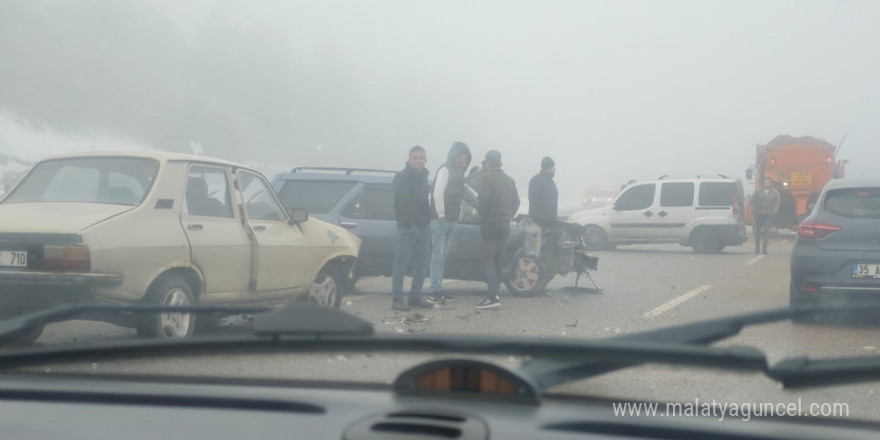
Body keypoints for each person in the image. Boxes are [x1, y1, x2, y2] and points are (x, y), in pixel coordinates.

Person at [391, 146, 434, 311]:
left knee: (423, 263)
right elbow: (399, 204)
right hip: (407, 227)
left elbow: (424, 201)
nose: (418, 161)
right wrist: (409, 224)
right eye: (415, 158)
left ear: (425, 160)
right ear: (409, 159)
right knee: (400, 263)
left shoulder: (424, 176)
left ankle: (415, 297)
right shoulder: (401, 177)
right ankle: (397, 299)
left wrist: (427, 221)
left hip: (423, 226)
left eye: (421, 158)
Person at [475, 150, 520, 309]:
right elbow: (517, 202)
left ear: (488, 162)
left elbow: (482, 203)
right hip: (504, 224)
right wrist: (508, 215)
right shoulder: (509, 180)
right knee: (498, 260)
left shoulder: (485, 178)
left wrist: (482, 218)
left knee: (488, 259)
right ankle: (496, 294)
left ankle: (492, 297)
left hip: (490, 224)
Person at [428, 141, 472, 304]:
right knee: (437, 256)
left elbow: (458, 195)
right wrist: (440, 214)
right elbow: (438, 192)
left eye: (465, 158)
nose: (463, 160)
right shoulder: (445, 169)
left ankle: (438, 289)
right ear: (454, 156)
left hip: (452, 219)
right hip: (441, 219)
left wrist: (459, 212)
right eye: (461, 157)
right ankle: (435, 291)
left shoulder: (458, 172)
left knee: (443, 256)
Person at [751, 177, 781, 254]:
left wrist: (774, 212)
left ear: (771, 183)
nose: (767, 184)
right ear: (763, 183)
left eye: (768, 182)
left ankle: (764, 248)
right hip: (758, 214)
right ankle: (757, 248)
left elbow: (777, 203)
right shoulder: (757, 191)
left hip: (768, 215)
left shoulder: (775, 192)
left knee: (766, 231)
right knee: (757, 232)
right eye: (765, 182)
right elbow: (753, 201)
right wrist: (754, 210)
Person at [528, 156, 559, 224]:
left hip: (551, 222)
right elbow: (534, 203)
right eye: (553, 167)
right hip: (541, 223)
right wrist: (538, 223)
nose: (554, 169)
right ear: (548, 168)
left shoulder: (550, 182)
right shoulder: (536, 181)